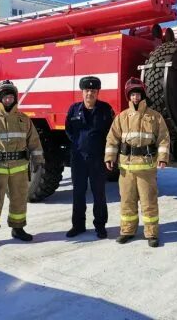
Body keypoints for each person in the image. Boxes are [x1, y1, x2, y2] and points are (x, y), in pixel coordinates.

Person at [0, 80, 44, 250]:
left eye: (11, 96)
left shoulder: (23, 119)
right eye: (5, 97)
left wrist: (38, 160)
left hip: (19, 169)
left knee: (19, 201)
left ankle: (18, 229)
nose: (8, 100)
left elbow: (34, 141)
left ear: (15, 98)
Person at [104, 77, 170, 248]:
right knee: (127, 201)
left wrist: (162, 158)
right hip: (126, 169)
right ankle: (127, 231)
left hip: (146, 168)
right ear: (129, 96)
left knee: (149, 202)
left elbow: (163, 138)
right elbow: (112, 139)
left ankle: (152, 233)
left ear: (142, 96)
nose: (135, 97)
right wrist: (110, 158)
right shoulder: (121, 117)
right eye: (132, 94)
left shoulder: (154, 117)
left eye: (138, 94)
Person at [65, 76, 114, 239]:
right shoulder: (73, 109)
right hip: (78, 159)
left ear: (98, 92)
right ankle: (78, 225)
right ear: (82, 92)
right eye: (87, 91)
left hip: (98, 159)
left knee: (98, 193)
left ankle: (100, 226)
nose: (89, 94)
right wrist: (79, 145)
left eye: (93, 91)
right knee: (78, 193)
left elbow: (111, 134)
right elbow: (69, 131)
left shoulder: (106, 109)